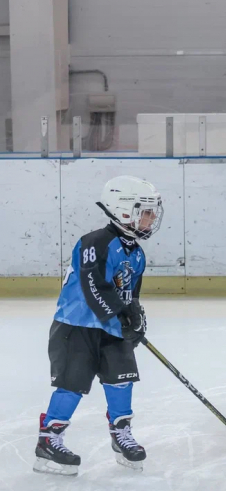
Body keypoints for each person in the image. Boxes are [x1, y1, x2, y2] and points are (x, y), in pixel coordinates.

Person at [34, 176, 162, 476]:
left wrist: (135, 318)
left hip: (111, 327)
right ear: (124, 211)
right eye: (146, 210)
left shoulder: (137, 253)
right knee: (72, 385)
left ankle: (121, 433)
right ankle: (49, 441)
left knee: (121, 378)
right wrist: (121, 318)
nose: (152, 217)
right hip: (76, 328)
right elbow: (95, 289)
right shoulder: (96, 242)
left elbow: (130, 295)